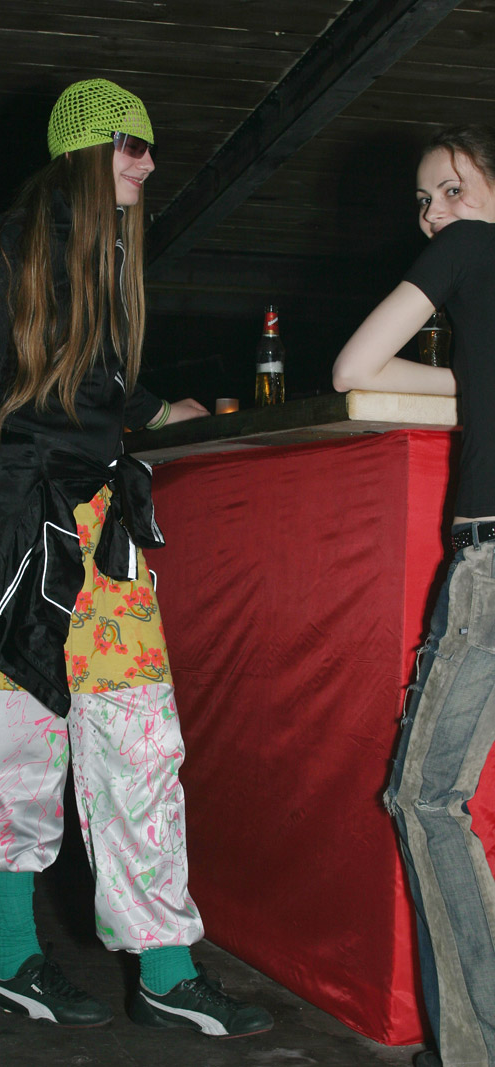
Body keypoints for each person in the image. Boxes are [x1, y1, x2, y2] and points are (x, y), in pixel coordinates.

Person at [0, 77, 273, 1040]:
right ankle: (9, 961)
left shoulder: (110, 256)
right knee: (12, 761)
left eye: (150, 146)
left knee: (143, 750)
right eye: (132, 144)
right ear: (84, 151)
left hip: (101, 541)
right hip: (17, 541)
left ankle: (167, 974)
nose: (150, 163)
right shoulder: (11, 247)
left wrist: (162, 408)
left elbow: (88, 391)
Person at [333, 126, 495, 1067]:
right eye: (426, 201)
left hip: (492, 557)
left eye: (453, 188)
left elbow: (354, 369)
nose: (437, 214)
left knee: (427, 798)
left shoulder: (470, 247)